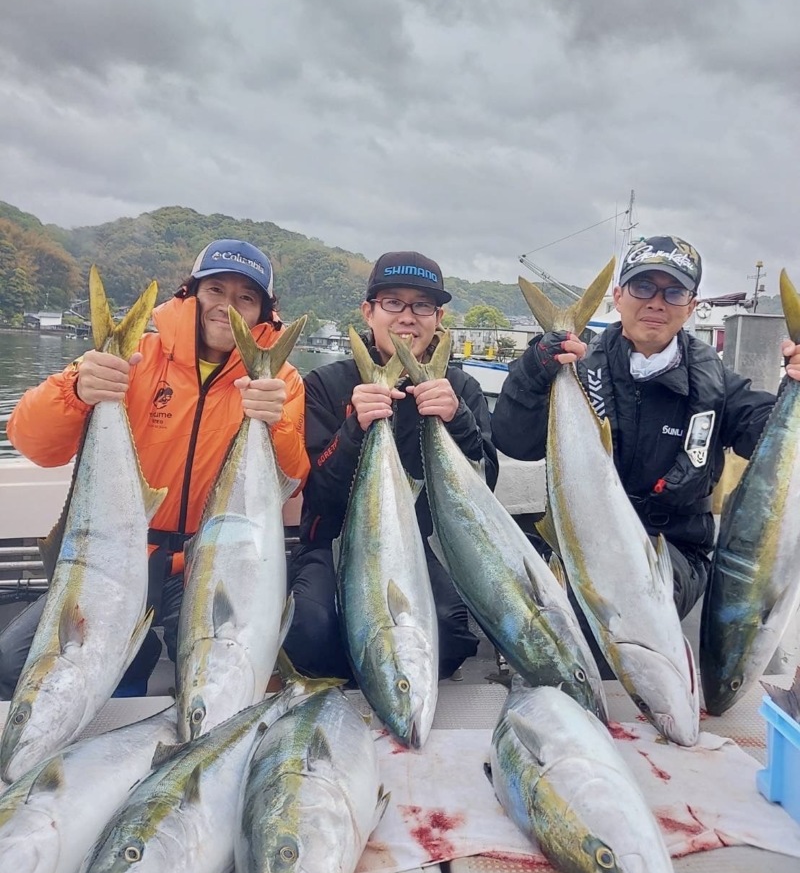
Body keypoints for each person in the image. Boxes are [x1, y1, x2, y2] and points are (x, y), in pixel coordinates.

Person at [0, 239, 309, 698]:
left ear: (264, 312)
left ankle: (138, 653)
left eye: (245, 297)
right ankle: (135, 652)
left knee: (226, 678)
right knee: (14, 662)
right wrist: (76, 388)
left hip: (210, 562)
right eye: (216, 290)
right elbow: (34, 443)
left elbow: (291, 477)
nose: (227, 306)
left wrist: (276, 420)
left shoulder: (279, 380)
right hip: (124, 557)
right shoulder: (131, 361)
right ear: (191, 293)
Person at [491, 235, 800, 627]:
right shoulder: (577, 372)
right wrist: (534, 370)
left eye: (673, 291)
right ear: (618, 296)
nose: (656, 302)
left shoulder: (719, 387)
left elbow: (769, 436)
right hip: (580, 540)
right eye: (643, 287)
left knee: (630, 603)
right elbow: (515, 443)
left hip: (672, 550)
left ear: (691, 307)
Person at [283, 250, 499, 681]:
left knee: (450, 639)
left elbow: (485, 480)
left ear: (438, 317)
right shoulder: (325, 384)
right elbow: (319, 491)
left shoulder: (460, 387)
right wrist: (353, 430)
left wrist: (458, 421)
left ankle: (379, 675)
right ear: (369, 311)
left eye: (422, 305)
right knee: (310, 632)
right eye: (394, 303)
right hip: (332, 540)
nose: (408, 316)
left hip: (418, 543)